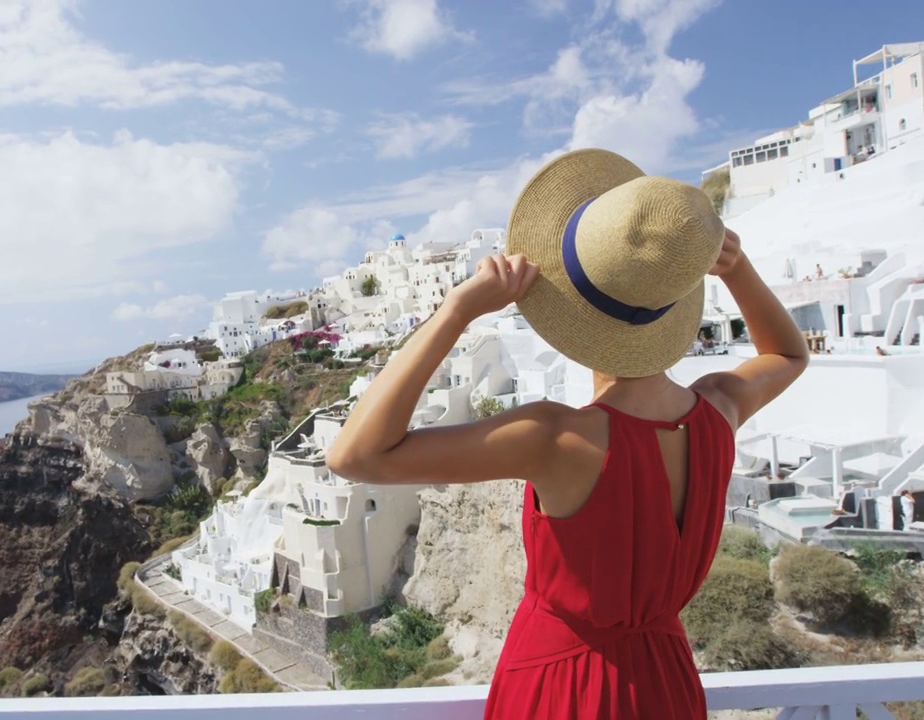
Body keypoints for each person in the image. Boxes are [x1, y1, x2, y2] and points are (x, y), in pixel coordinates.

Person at [326, 148, 808, 719]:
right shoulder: (719, 409)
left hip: (564, 687)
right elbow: (787, 352)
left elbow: (355, 455)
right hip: (665, 682)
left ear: (571, 307)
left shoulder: (559, 438)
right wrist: (738, 268)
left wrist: (455, 311)